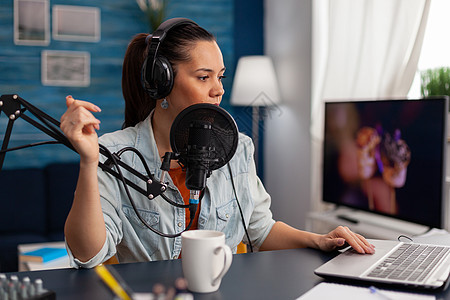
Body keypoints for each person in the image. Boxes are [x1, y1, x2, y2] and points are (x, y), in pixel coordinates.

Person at [60, 18, 374, 268]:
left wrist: (319, 240)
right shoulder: (115, 154)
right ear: (162, 82)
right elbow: (89, 255)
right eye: (203, 77)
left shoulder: (239, 148)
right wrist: (89, 162)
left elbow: (260, 229)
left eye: (220, 77)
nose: (218, 90)